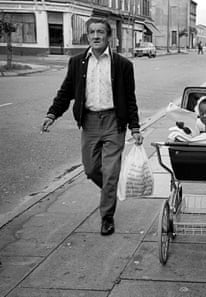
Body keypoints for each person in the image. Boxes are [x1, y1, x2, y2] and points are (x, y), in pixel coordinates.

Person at [40, 17, 144, 236]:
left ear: (109, 36)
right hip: (89, 122)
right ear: (88, 35)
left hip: (114, 122)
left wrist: (135, 128)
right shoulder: (77, 62)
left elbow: (130, 98)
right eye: (92, 32)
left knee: (111, 171)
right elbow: (66, 91)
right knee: (90, 169)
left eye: (101, 32)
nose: (96, 36)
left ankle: (107, 217)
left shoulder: (123, 65)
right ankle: (110, 189)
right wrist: (52, 113)